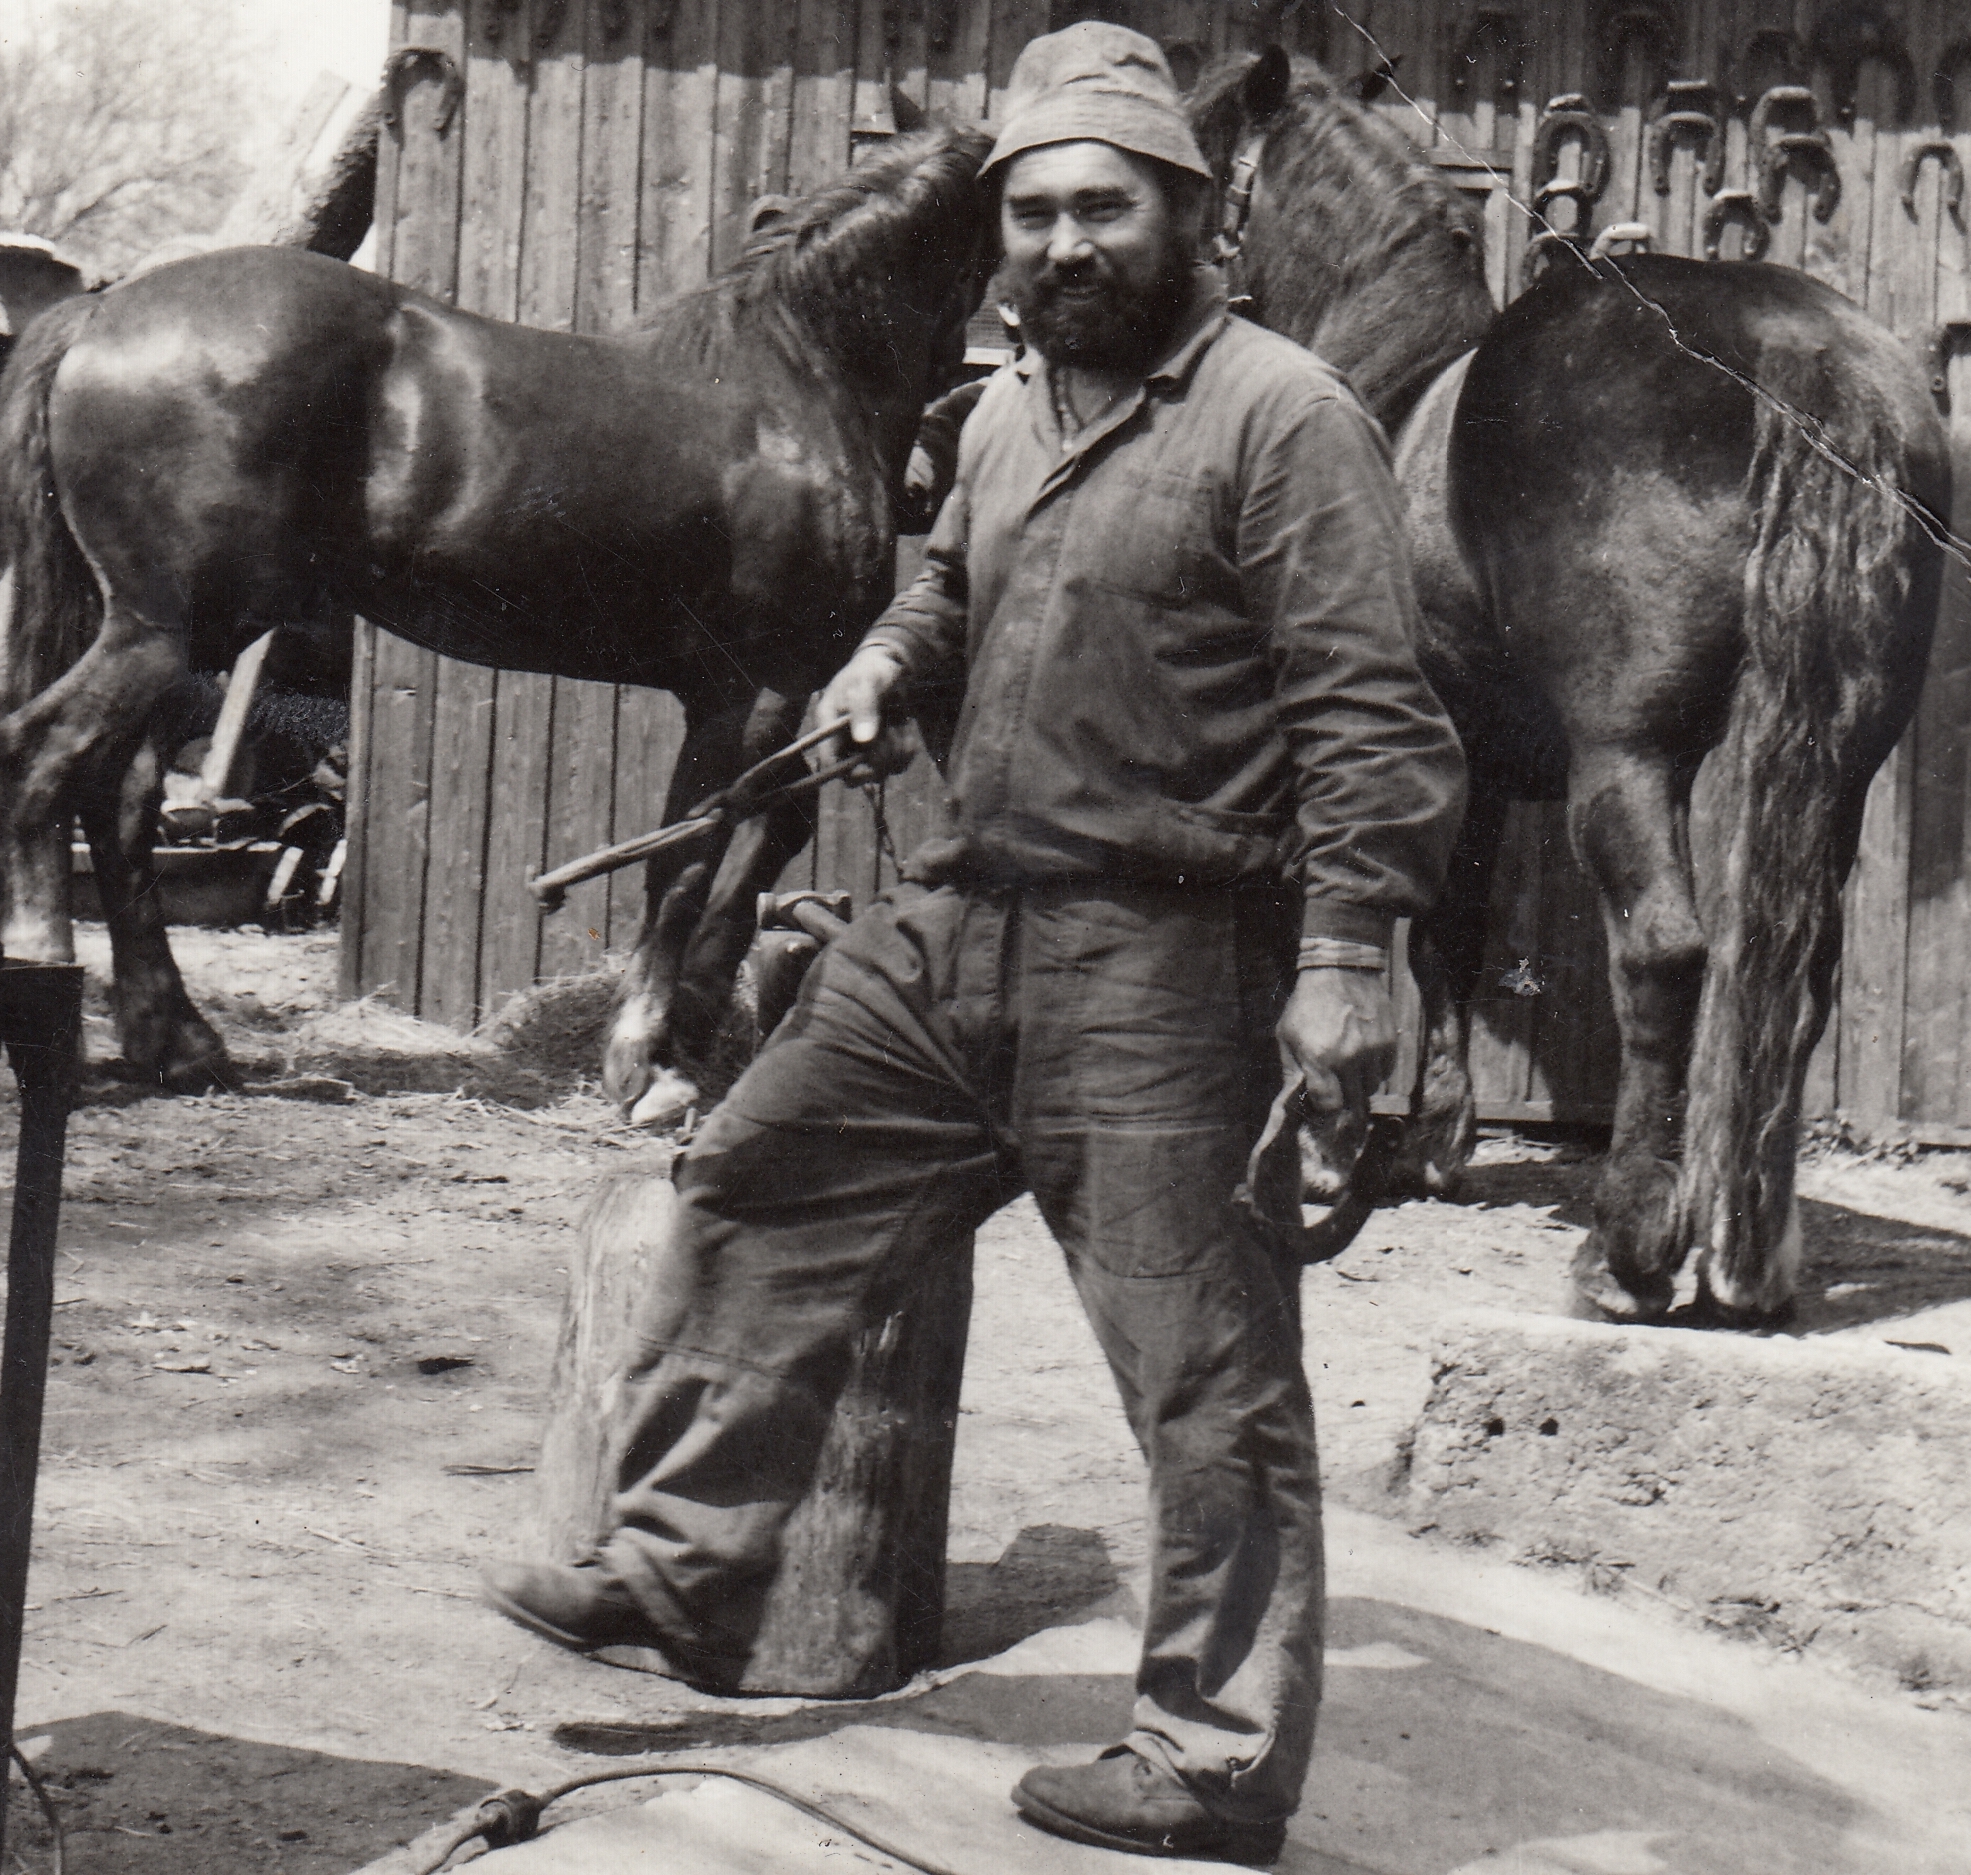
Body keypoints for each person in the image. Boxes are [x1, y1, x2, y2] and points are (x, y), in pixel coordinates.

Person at [480, 20, 1464, 1865]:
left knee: (1204, 1373)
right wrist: (877, 663)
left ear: (1192, 216)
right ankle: (680, 1566)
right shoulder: (1008, 412)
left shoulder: (1284, 416)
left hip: (1165, 962)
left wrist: (1348, 956)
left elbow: (1369, 714)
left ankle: (1209, 1762)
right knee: (753, 1180)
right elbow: (947, 582)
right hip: (953, 924)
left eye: (1104, 208)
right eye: (1032, 214)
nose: (1063, 244)